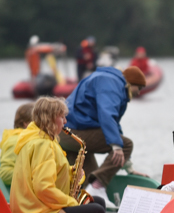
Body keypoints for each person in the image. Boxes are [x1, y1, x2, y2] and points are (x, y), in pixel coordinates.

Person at [10, 97, 107, 213]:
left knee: (98, 202)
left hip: (35, 207)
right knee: (97, 211)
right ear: (49, 119)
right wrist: (70, 201)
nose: (65, 121)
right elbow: (43, 188)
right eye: (62, 117)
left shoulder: (34, 140)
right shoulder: (43, 145)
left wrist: (72, 174)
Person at [59, 65, 147, 198]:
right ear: (130, 83)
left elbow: (113, 125)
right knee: (126, 144)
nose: (139, 93)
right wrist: (117, 147)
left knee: (86, 177)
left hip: (64, 134)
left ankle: (83, 201)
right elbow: (107, 115)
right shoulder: (112, 83)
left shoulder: (104, 78)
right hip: (70, 133)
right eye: (139, 88)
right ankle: (97, 187)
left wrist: (128, 167)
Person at [0, 102, 35, 188]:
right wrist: (33, 177)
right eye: (37, 121)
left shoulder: (30, 139)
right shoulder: (16, 141)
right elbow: (4, 174)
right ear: (25, 123)